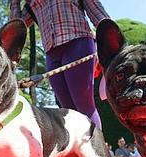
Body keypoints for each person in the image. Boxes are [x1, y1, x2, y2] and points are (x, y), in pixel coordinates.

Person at [10, 0, 110, 129]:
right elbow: (15, 29)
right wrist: (15, 3)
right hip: (51, 54)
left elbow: (96, 10)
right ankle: (76, 148)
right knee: (67, 110)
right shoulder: (32, 3)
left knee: (84, 105)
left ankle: (96, 148)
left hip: (78, 42)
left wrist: (113, 39)